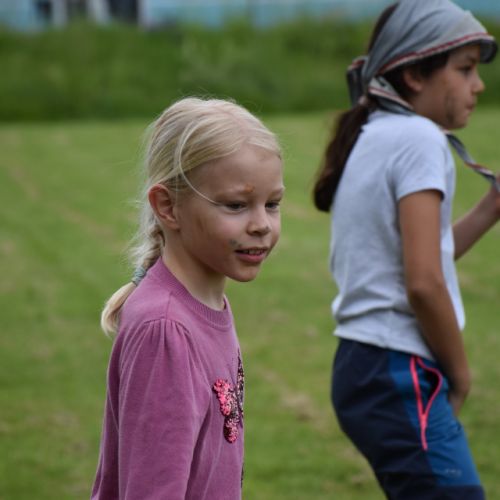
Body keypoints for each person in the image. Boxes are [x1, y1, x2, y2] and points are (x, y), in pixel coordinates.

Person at [313, 1, 500, 498]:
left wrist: (490, 208)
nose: (478, 85)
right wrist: (460, 374)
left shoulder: (377, 133)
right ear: (415, 75)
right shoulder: (419, 139)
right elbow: (423, 283)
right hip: (396, 371)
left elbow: (419, 260)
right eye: (465, 69)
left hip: (365, 367)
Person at [91, 97, 284, 499]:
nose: (262, 225)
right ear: (168, 207)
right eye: (236, 205)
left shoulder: (204, 305)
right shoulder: (166, 332)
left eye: (272, 204)